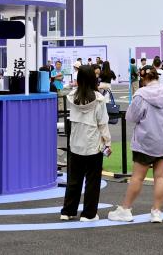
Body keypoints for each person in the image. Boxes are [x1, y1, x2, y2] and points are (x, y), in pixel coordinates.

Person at [108, 66, 163, 224]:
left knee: (138, 177)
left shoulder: (141, 94)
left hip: (146, 141)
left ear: (143, 78)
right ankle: (156, 211)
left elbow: (131, 117)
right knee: (161, 176)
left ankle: (125, 209)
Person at [61, 65, 111, 221]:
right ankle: (88, 214)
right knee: (92, 181)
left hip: (75, 144)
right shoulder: (99, 99)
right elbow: (103, 124)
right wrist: (108, 143)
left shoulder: (72, 97)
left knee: (73, 180)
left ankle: (68, 211)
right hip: (93, 145)